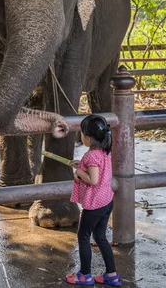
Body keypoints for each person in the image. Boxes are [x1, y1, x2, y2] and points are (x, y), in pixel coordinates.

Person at [64, 115, 121, 286]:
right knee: (100, 237)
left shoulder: (91, 157)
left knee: (83, 237)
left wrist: (79, 172)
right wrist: (81, 164)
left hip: (94, 204)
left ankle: (85, 275)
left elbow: (93, 180)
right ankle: (111, 275)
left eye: (81, 134)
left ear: (87, 138)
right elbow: (96, 170)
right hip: (106, 201)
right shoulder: (104, 151)